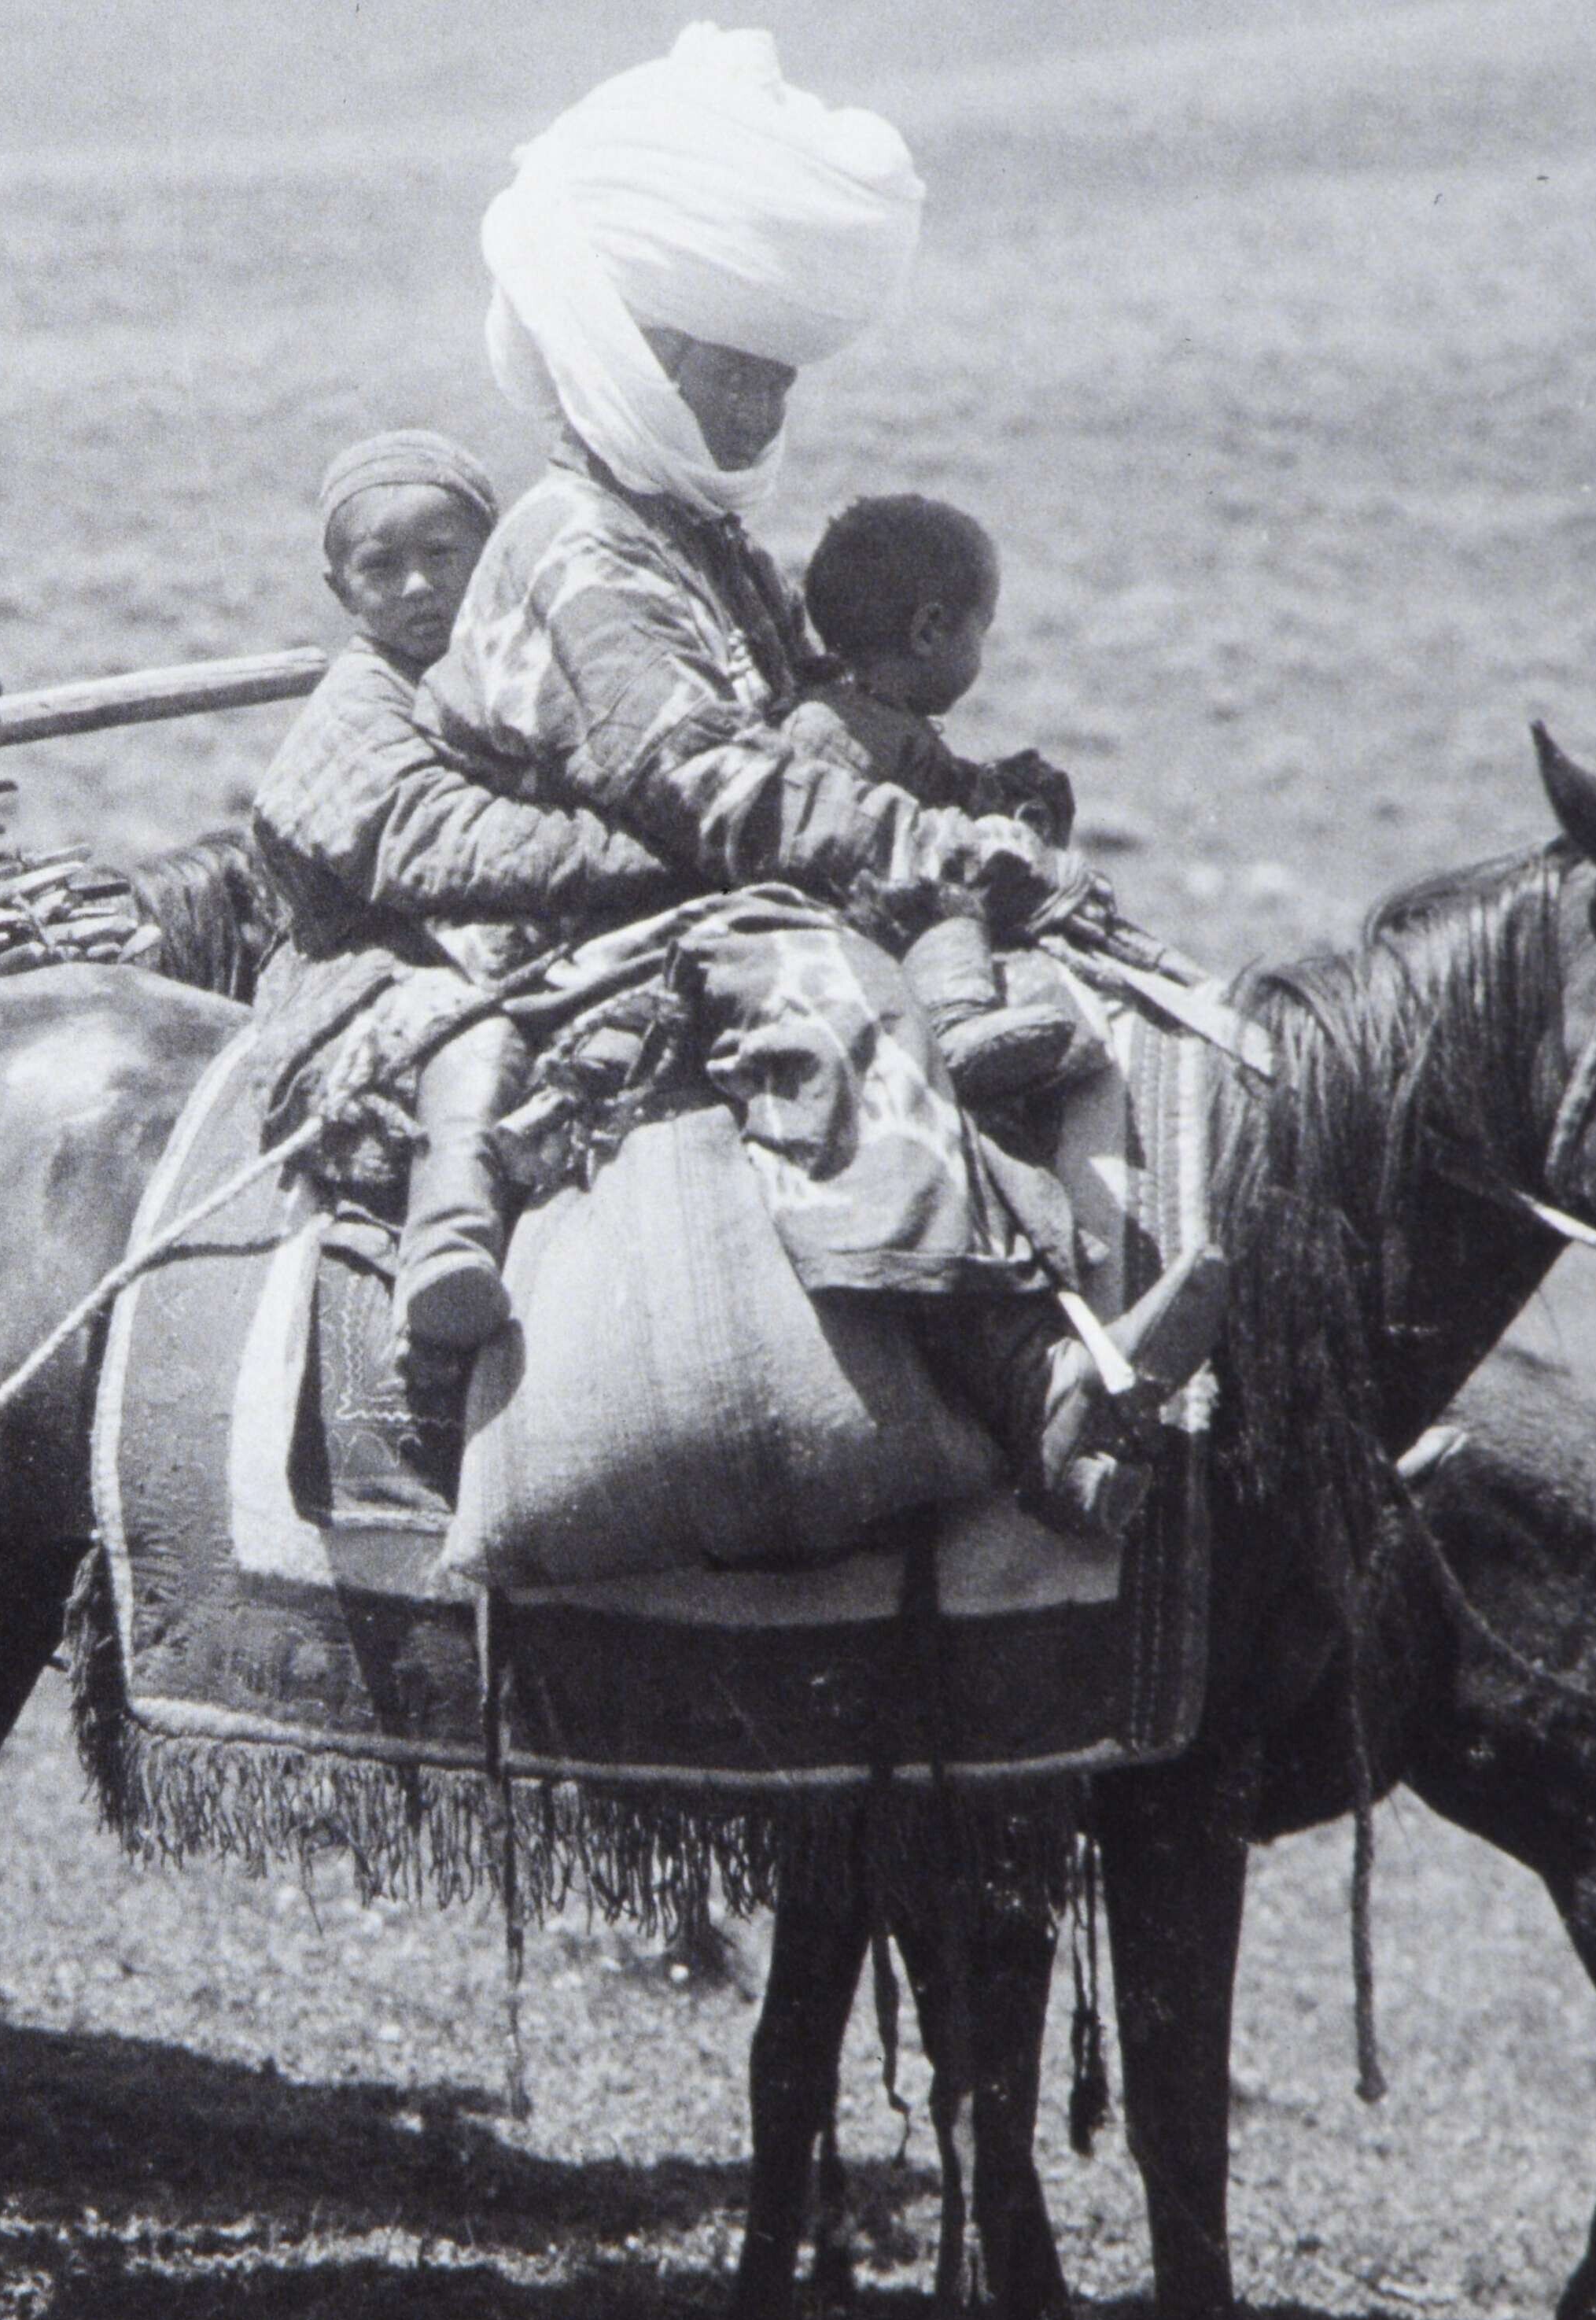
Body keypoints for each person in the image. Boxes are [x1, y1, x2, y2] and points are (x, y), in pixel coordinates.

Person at [406, 24, 1225, 1533]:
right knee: (843, 1002)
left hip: (705, 890)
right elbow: (704, 780)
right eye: (737, 378)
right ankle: (1025, 1371)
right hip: (579, 927)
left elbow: (810, 722)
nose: (761, 417)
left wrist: (970, 808)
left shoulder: (697, 539)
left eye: (776, 385)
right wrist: (931, 847)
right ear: (640, 355)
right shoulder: (579, 549)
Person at [245, 428, 677, 1369]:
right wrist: (655, 849)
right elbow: (441, 841)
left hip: (526, 935)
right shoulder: (356, 704)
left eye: (444, 556)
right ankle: (447, 1249)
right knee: (463, 1029)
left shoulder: (518, 665)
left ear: (493, 553)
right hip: (375, 969)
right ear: (340, 589)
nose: (417, 587)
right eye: (381, 566)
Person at [783, 491, 1098, 1119]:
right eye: (983, 629)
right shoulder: (829, 732)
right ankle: (956, 1022)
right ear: (929, 631)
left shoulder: (885, 723)